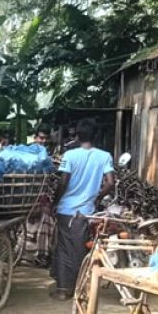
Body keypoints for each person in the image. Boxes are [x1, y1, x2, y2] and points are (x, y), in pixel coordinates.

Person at [49, 120, 114, 300]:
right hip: (87, 211)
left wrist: (55, 201)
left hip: (67, 210)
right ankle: (81, 287)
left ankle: (64, 290)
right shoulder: (104, 156)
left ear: (77, 136)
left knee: (64, 248)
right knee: (80, 248)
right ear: (95, 137)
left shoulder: (70, 155)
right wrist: (97, 197)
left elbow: (63, 181)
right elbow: (110, 183)